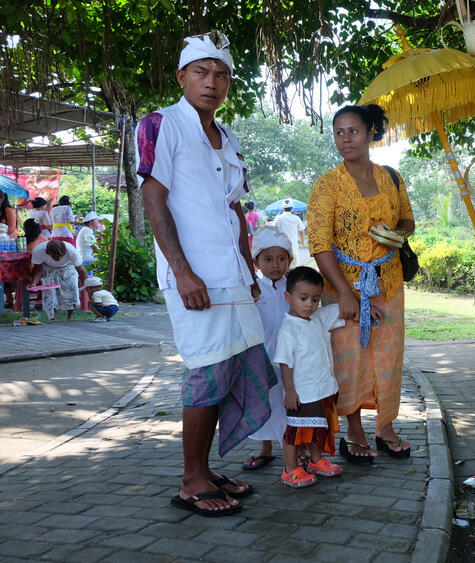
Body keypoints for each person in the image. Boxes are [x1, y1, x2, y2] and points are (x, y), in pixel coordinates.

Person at [137, 31, 275, 517]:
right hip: (193, 277)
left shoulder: (228, 138)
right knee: (205, 371)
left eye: (221, 74)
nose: (211, 82)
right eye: (201, 72)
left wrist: (250, 268)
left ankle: (206, 469)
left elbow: (234, 211)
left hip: (232, 275)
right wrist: (182, 271)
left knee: (231, 368)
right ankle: (190, 481)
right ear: (182, 76)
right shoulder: (160, 124)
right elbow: (153, 200)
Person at [308, 104, 415, 462]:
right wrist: (343, 293)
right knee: (349, 360)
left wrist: (395, 236)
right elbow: (320, 245)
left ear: (371, 133)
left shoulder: (391, 177)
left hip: (390, 282)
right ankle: (353, 431)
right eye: (339, 133)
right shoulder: (326, 186)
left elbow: (408, 223)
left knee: (388, 358)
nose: (345, 139)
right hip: (345, 288)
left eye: (353, 131)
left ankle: (385, 427)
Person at [273, 266, 345, 487]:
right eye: (303, 298)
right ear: (288, 297)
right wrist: (290, 391)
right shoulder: (288, 329)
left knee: (316, 429)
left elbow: (345, 309)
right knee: (295, 433)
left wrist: (367, 308)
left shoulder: (318, 319)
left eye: (315, 299)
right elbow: (285, 363)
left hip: (323, 389)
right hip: (302, 392)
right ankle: (291, 469)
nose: (309, 305)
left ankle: (315, 461)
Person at [242, 226, 294, 471]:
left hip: (291, 358)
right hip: (262, 356)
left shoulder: (295, 288)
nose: (276, 265)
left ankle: (296, 449)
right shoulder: (252, 290)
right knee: (264, 400)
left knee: (291, 400)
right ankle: (266, 448)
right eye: (268, 259)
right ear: (256, 262)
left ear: (290, 260)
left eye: (282, 258)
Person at [29, 240, 87, 322]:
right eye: (55, 256)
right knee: (50, 293)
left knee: (72, 290)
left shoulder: (71, 251)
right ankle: (53, 318)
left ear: (64, 252)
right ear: (48, 253)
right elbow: (38, 268)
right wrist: (33, 282)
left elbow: (81, 271)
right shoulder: (38, 251)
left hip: (67, 267)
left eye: (61, 256)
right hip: (48, 267)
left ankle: (69, 317)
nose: (58, 258)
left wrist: (88, 285)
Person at [274, 198, 306, 266]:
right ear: (292, 208)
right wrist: (302, 241)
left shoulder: (278, 218)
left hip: (281, 246)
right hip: (293, 246)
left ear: (283, 208)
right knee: (295, 266)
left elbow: (274, 232)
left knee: (283, 266)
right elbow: (301, 230)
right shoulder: (296, 218)